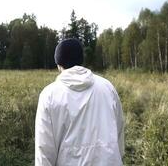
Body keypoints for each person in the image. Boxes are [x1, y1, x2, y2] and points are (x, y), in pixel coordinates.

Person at [35, 38, 125, 166]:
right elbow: (119, 128)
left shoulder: (49, 95)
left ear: (59, 64)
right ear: (81, 60)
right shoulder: (107, 87)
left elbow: (44, 149)